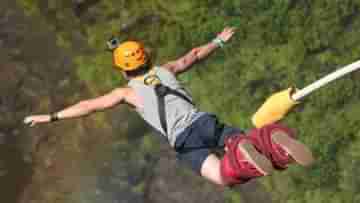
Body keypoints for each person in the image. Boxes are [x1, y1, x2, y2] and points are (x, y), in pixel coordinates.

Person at [24, 27, 314, 186]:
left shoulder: (125, 92)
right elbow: (194, 55)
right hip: (203, 122)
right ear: (147, 60)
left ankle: (245, 154)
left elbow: (88, 105)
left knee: (223, 176)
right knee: (239, 139)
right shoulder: (166, 70)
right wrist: (218, 41)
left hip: (185, 142)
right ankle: (270, 142)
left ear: (123, 71)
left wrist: (51, 116)